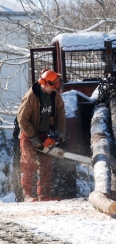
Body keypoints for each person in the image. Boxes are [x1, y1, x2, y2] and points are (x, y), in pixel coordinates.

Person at [17, 69, 66, 202]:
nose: (56, 87)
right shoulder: (31, 97)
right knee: (29, 164)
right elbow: (22, 119)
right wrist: (33, 138)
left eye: (57, 85)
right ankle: (27, 195)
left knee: (46, 165)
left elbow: (60, 113)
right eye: (54, 85)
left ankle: (44, 195)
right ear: (46, 83)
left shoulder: (54, 95)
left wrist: (61, 133)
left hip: (45, 133)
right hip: (29, 134)